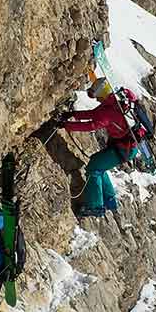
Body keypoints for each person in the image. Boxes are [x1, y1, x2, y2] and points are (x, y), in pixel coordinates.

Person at [56, 77, 137, 218]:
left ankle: (95, 207)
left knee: (94, 168)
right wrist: (73, 115)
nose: (96, 100)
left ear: (102, 93)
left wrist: (67, 125)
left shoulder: (110, 109)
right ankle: (109, 200)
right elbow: (94, 114)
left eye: (97, 96)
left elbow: (92, 124)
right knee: (98, 163)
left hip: (123, 148)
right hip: (126, 146)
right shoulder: (115, 101)